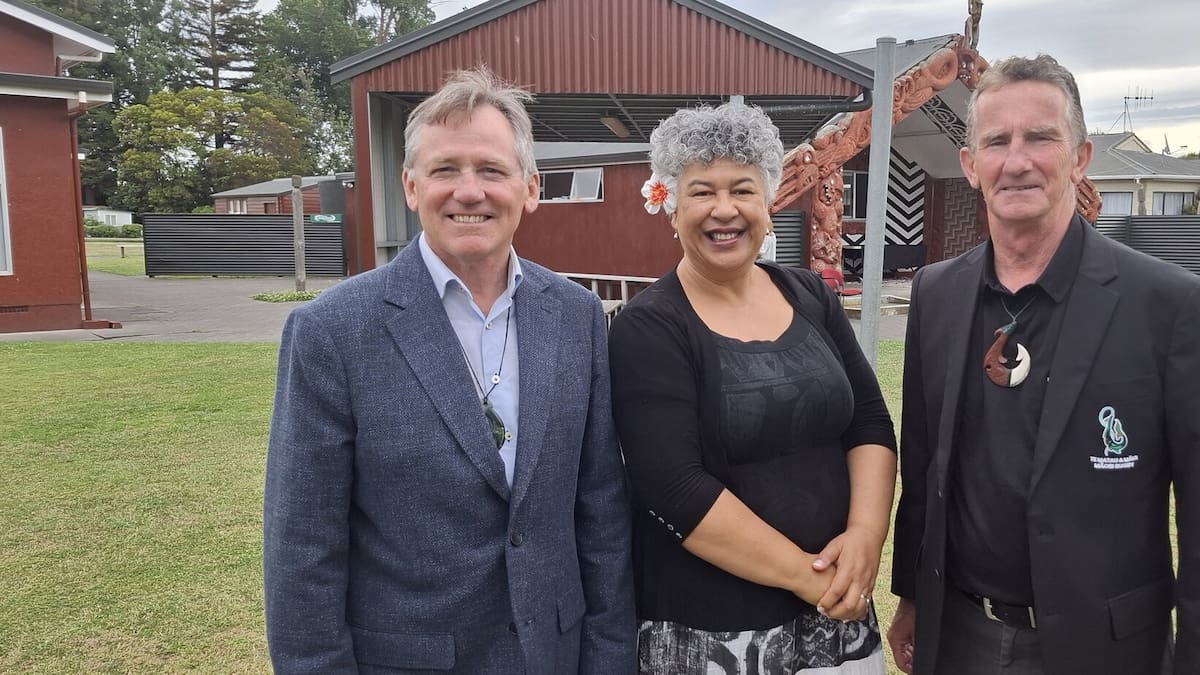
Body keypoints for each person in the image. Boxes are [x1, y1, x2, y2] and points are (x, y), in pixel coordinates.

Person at [263, 68, 637, 673]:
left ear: (530, 189)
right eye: (445, 170)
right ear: (411, 187)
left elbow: (600, 510)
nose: (469, 191)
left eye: (491, 170)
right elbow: (302, 546)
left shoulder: (576, 316)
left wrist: (610, 657)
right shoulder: (333, 331)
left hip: (554, 653)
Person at [887, 54, 1200, 675]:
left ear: (1080, 158)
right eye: (997, 141)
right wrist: (912, 597)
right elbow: (923, 468)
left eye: (1041, 137)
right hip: (961, 638)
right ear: (971, 166)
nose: (1018, 160)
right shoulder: (936, 294)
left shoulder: (1168, 304)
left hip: (1104, 647)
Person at [609, 102, 898, 673]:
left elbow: (868, 421)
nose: (724, 210)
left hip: (837, 618)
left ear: (768, 204)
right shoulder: (650, 326)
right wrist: (809, 578)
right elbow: (673, 487)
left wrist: (865, 539)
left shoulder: (810, 295)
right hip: (715, 633)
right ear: (670, 206)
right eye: (701, 191)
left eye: (742, 189)